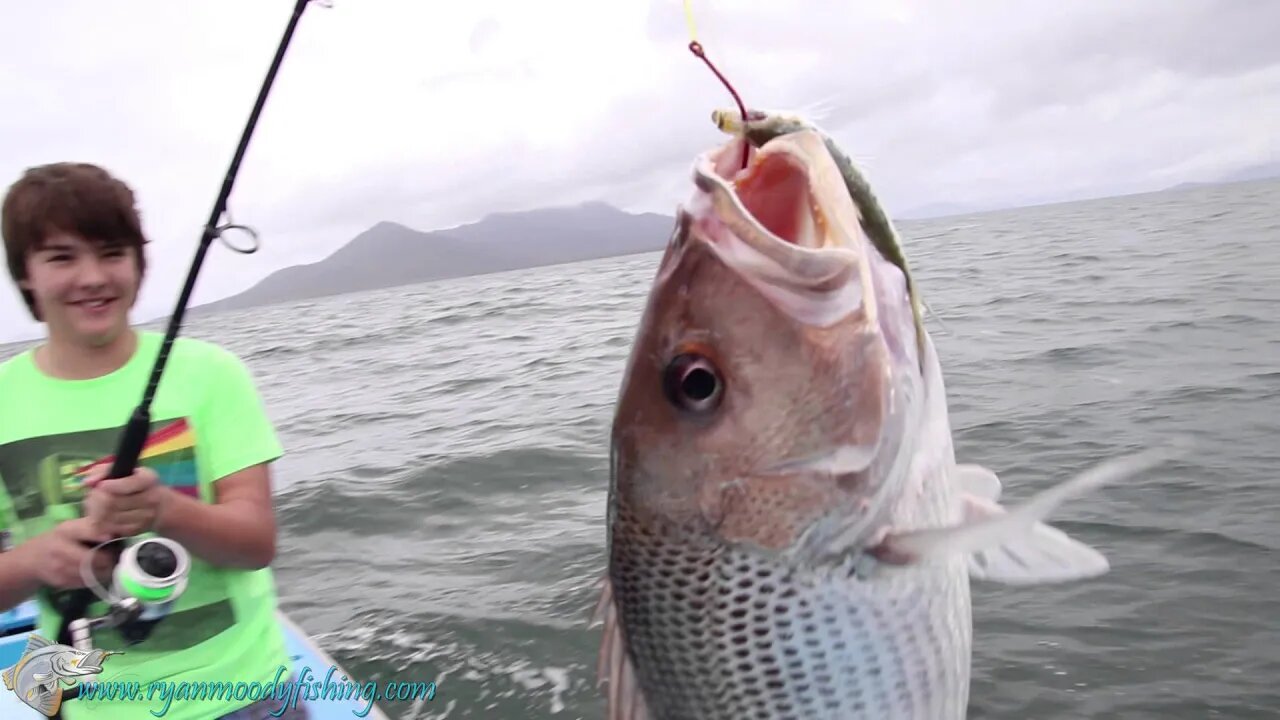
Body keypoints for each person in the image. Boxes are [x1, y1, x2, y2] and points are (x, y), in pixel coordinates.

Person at [0, 162, 308, 720]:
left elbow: (257, 543)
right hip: (82, 702)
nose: (93, 277)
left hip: (242, 693)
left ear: (139, 266)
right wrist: (34, 561)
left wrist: (163, 509)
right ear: (26, 272)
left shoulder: (213, 374)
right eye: (62, 257)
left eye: (113, 253)